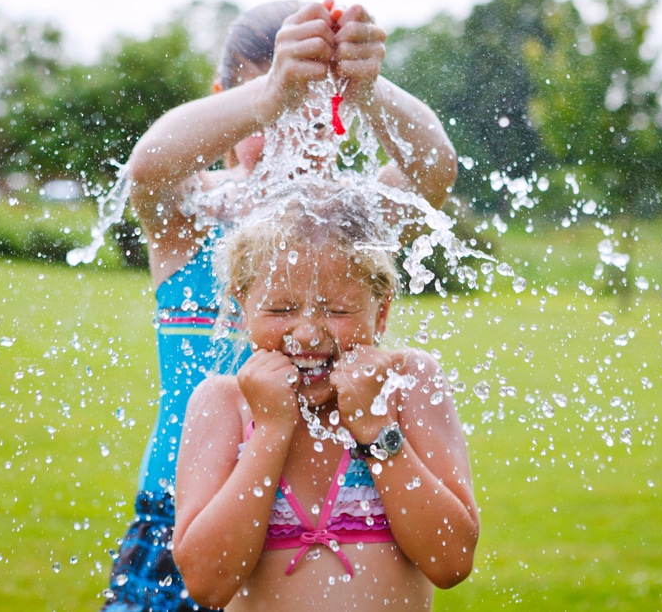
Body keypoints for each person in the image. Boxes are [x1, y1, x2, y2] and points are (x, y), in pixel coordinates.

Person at [100, 0, 457, 611]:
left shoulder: (354, 226)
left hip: (334, 504)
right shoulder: (197, 219)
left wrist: (369, 88)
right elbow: (150, 167)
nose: (291, 134)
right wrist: (272, 93)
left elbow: (433, 171)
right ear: (226, 104)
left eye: (313, 117)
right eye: (272, 114)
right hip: (185, 511)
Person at [172, 183, 479, 611]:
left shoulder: (407, 384)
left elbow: (451, 560)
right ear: (244, 307)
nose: (307, 334)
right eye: (280, 310)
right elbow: (207, 582)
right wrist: (271, 431)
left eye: (337, 310)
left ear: (382, 311)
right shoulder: (223, 403)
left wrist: (375, 429)